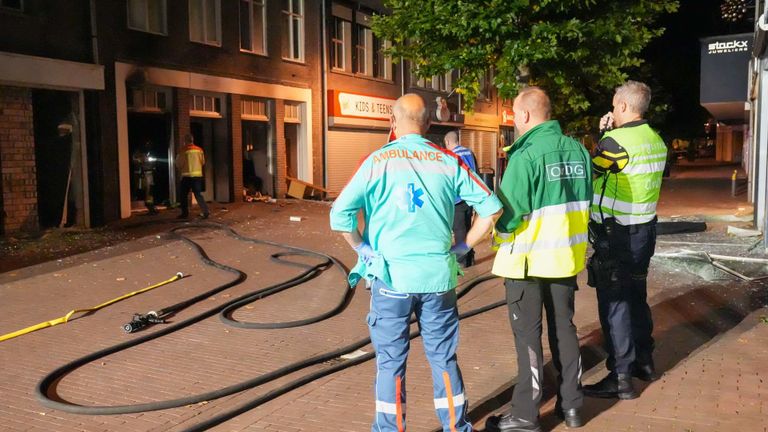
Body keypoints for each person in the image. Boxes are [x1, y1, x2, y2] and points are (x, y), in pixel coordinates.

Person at [330, 93, 502, 431]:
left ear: (392, 122)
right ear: (428, 124)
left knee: (391, 363)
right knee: (443, 358)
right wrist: (464, 245)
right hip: (438, 278)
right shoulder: (447, 161)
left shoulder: (377, 161)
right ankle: (456, 426)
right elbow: (491, 208)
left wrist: (362, 247)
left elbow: (340, 215)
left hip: (391, 278)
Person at [486, 87, 592, 432]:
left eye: (515, 114)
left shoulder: (526, 155)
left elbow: (509, 213)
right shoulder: (579, 151)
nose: (514, 121)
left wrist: (495, 238)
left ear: (527, 115)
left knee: (528, 339)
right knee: (565, 331)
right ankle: (573, 407)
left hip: (529, 264)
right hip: (565, 260)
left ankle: (525, 415)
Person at [583, 80, 666, 400]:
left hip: (615, 234)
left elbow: (593, 172)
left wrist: (604, 135)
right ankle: (643, 361)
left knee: (614, 302)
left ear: (623, 107)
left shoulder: (615, 142)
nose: (613, 110)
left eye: (615, 105)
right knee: (636, 296)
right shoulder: (656, 140)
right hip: (644, 231)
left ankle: (620, 376)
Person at [444, 130, 478, 268]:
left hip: (457, 198)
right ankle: (470, 257)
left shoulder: (451, 155)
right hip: (469, 198)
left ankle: (462, 261)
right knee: (468, 229)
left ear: (447, 142)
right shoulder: (469, 152)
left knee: (459, 231)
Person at [175, 134, 210, 219]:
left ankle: (185, 213)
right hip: (197, 176)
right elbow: (203, 162)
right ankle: (205, 211)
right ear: (192, 140)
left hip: (186, 176)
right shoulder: (199, 150)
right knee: (198, 194)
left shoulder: (183, 150)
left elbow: (179, 164)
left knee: (183, 195)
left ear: (185, 141)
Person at [132, 141, 158, 215]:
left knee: (149, 190)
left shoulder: (150, 153)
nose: (148, 146)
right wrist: (141, 160)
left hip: (148, 173)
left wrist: (147, 161)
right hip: (141, 174)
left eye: (149, 144)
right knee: (143, 190)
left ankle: (150, 207)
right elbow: (135, 161)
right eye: (146, 144)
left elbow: (154, 162)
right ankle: (148, 205)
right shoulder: (138, 153)